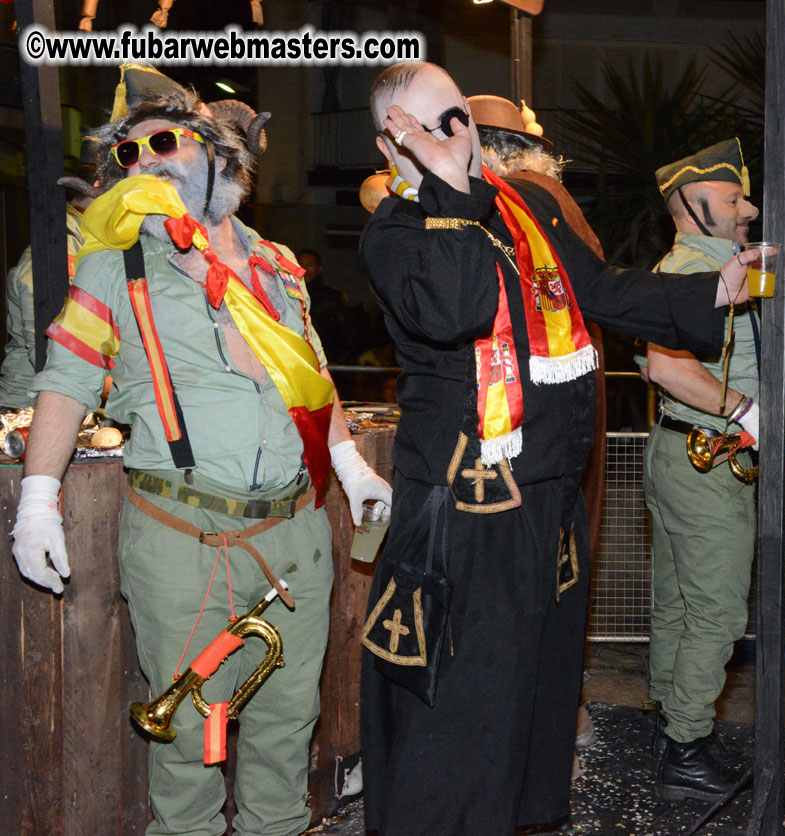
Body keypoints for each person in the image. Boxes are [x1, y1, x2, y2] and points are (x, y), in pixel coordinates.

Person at [356, 63, 753, 836]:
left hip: (544, 501)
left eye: (457, 118)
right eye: (430, 124)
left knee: (528, 693)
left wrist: (712, 292)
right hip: (468, 508)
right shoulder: (397, 230)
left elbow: (600, 290)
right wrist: (449, 186)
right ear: (388, 142)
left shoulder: (523, 210)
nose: (453, 136)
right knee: (465, 701)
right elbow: (456, 308)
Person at [10, 74, 391, 836]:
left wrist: (349, 466)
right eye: (126, 153)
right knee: (186, 737)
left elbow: (311, 379)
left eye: (161, 142)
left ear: (218, 155)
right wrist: (37, 498)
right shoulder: (111, 270)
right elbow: (66, 381)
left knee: (288, 725)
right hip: (183, 541)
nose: (141, 161)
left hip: (295, 536)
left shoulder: (279, 264)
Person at [467, 91, 606, 767]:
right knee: (562, 564)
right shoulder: (552, 193)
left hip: (528, 411)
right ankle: (560, 714)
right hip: (572, 393)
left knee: (520, 579)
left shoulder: (518, 198)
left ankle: (528, 732)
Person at [635, 137, 761, 802]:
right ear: (690, 203)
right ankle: (685, 746)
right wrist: (747, 411)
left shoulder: (712, 266)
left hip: (692, 451)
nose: (750, 207)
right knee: (715, 612)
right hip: (703, 456)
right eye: (734, 197)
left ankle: (673, 720)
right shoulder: (691, 271)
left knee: (682, 602)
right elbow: (665, 366)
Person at [0, 191, 93, 410]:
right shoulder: (60, 245)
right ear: (98, 187)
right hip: (28, 409)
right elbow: (48, 350)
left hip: (47, 402)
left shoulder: (81, 242)